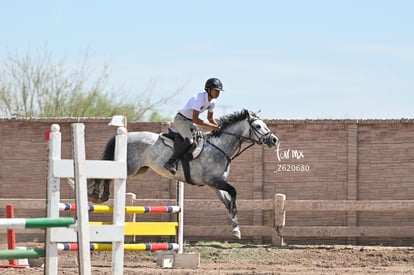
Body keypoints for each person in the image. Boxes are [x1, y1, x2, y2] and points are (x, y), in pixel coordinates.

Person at [164, 77, 223, 175]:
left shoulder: (213, 102)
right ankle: (170, 162)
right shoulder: (199, 99)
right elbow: (196, 119)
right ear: (208, 90)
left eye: (219, 91)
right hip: (181, 120)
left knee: (201, 138)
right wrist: (212, 127)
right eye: (216, 90)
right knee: (190, 141)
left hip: (190, 121)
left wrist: (218, 127)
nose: (218, 93)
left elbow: (210, 118)